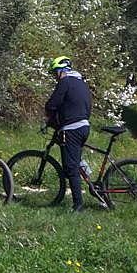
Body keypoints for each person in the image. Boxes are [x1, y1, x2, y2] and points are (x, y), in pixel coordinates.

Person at [45, 55, 92, 212]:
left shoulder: (65, 82)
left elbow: (52, 104)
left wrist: (51, 119)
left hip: (72, 128)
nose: (54, 77)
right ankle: (92, 183)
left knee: (71, 167)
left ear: (61, 72)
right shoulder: (82, 84)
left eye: (54, 73)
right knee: (75, 159)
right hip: (84, 126)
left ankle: (78, 205)